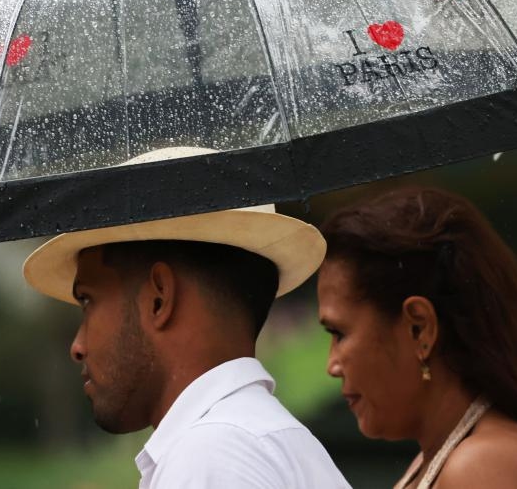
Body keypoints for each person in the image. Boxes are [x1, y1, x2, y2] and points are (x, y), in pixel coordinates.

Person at [22, 149, 352, 489]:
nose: (78, 346)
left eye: (88, 301)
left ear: (158, 298)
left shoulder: (211, 456)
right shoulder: (264, 439)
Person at [317, 186, 517, 489]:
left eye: (339, 333)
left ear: (419, 327)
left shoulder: (481, 467)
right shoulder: (448, 457)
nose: (332, 365)